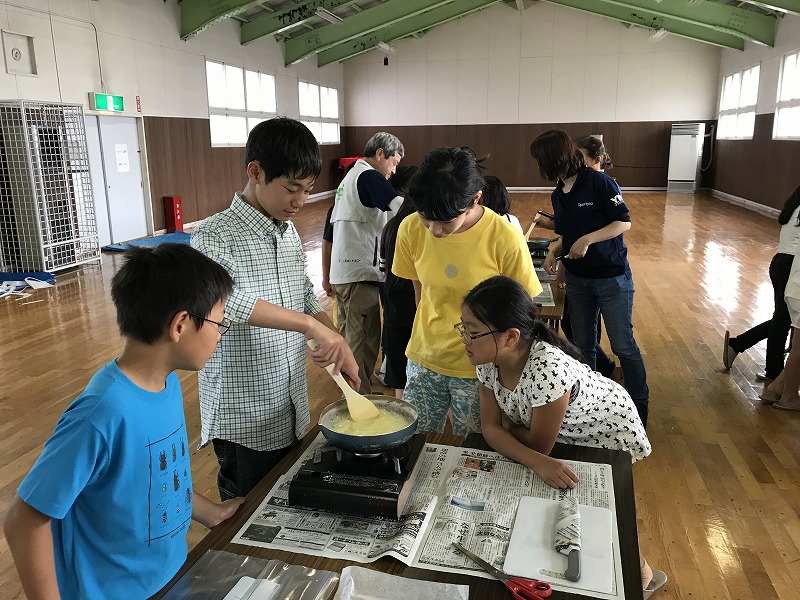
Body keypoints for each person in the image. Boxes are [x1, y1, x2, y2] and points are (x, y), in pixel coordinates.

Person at [3, 244, 246, 599]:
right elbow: (23, 521)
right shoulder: (101, 413)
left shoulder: (168, 383)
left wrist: (211, 513)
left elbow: (159, 479)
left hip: (168, 577)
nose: (221, 333)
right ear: (180, 325)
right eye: (218, 322)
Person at [459, 275, 665, 598]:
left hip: (603, 428)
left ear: (511, 337)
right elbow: (490, 428)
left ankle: (641, 575)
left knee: (603, 508)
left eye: (472, 333)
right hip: (555, 430)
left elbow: (538, 446)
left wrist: (512, 432)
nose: (464, 340)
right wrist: (517, 440)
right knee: (560, 497)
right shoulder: (488, 360)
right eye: (463, 329)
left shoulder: (547, 368)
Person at [191, 117, 360, 501]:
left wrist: (333, 336)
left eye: (308, 190)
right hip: (243, 414)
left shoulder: (286, 232)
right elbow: (223, 301)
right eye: (292, 189)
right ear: (255, 172)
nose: (301, 201)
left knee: (282, 497)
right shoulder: (214, 234)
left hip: (286, 402)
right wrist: (307, 326)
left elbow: (302, 293)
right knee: (245, 508)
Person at [393, 146, 541, 435]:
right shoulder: (410, 229)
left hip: (480, 367)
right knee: (415, 442)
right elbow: (421, 295)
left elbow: (522, 310)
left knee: (472, 450)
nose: (434, 230)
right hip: (426, 358)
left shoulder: (503, 237)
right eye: (426, 217)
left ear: (475, 199)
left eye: (446, 220)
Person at [531, 130, 650, 427]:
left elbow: (623, 222)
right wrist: (555, 251)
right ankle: (592, 403)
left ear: (555, 158)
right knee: (583, 346)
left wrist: (587, 240)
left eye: (540, 161)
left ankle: (639, 405)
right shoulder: (559, 193)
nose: (539, 167)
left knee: (623, 345)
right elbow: (567, 232)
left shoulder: (599, 181)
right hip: (577, 279)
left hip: (611, 277)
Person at [330, 132, 405, 393]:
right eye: (393, 163)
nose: (393, 171)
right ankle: (358, 396)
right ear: (380, 154)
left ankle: (361, 390)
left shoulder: (351, 176)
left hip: (352, 272)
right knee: (358, 341)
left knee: (365, 337)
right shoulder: (368, 175)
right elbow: (400, 207)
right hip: (358, 273)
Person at [723, 184, 800, 380]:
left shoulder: (794, 206)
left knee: (784, 320)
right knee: (784, 321)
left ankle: (739, 344)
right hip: (792, 266)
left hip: (781, 263)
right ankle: (773, 372)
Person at [379, 165, 418, 397]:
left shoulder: (390, 226)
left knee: (399, 374)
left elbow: (383, 269)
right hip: (418, 307)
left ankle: (402, 421)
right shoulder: (422, 229)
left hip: (393, 305)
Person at [768, 252, 800, 411]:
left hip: (795, 288)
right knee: (799, 349)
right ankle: (789, 397)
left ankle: (779, 386)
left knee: (798, 348)